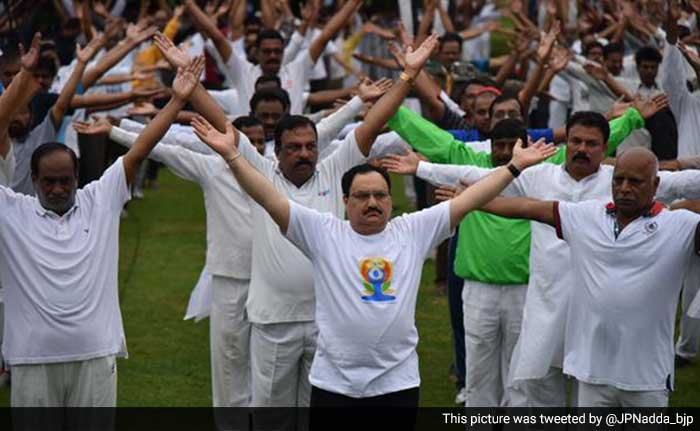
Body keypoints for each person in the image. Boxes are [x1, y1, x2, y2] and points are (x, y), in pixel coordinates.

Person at [191, 114, 556, 429]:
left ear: (391, 201)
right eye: (362, 196)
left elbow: (471, 199)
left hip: (396, 384)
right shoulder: (322, 232)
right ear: (345, 201)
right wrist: (232, 155)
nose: (372, 203)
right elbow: (267, 196)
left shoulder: (411, 230)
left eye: (380, 196)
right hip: (334, 385)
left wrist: (513, 167)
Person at [193, 34, 440, 415]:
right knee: (272, 415)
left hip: (327, 323)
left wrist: (408, 76)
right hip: (274, 319)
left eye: (310, 146)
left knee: (315, 415)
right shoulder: (261, 172)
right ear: (277, 151)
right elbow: (220, 123)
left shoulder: (336, 167)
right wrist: (189, 85)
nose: (305, 153)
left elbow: (373, 123)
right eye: (294, 147)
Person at [393, 111, 700, 406]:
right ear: (567, 143)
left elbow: (685, 182)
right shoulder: (543, 178)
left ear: (605, 148)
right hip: (547, 307)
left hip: (599, 320)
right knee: (539, 395)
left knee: (593, 392)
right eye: (576, 141)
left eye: (591, 144)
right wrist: (424, 170)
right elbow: (482, 176)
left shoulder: (623, 180)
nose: (582, 149)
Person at [0, 56, 205, 410]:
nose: (58, 189)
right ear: (33, 181)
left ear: (77, 179)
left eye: (65, 181)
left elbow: (141, 148)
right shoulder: (11, 210)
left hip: (95, 355)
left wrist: (176, 100)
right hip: (31, 360)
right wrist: (22, 77)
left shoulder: (101, 199)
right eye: (48, 182)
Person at [478, 147, 700, 407]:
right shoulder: (586, 215)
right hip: (592, 373)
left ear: (656, 184)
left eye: (635, 181)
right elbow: (527, 207)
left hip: (647, 378)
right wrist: (472, 201)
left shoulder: (681, 226)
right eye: (618, 180)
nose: (625, 188)